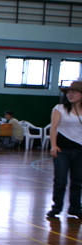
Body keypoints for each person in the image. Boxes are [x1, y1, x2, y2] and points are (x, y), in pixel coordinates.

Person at [48, 81, 82, 220]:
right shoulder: (60, 108)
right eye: (69, 92)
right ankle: (56, 207)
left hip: (79, 150)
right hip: (62, 150)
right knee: (60, 180)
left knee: (78, 181)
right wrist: (53, 145)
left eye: (74, 92)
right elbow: (53, 127)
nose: (70, 95)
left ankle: (75, 208)